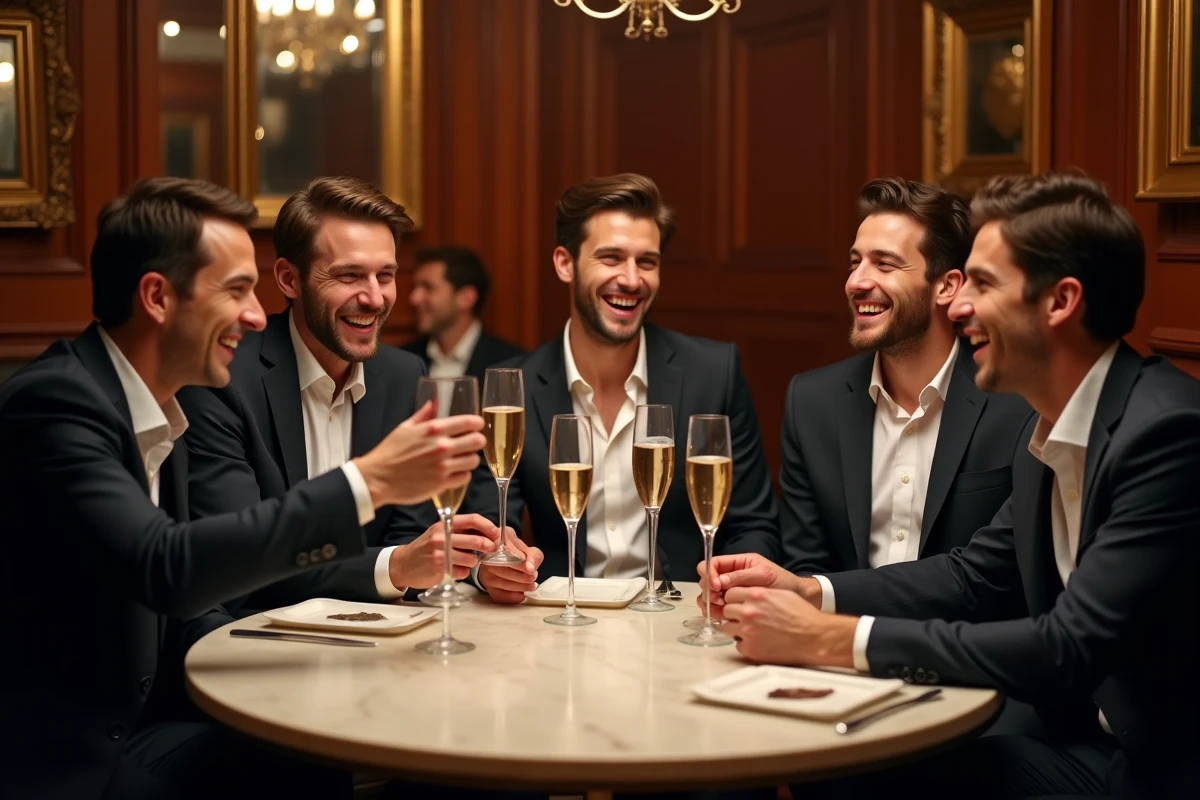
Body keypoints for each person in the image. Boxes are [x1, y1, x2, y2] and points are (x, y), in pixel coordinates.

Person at [701, 173, 1200, 798]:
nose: (960, 307)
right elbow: (975, 574)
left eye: (984, 285)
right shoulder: (1050, 426)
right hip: (1091, 747)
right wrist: (810, 590)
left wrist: (834, 637)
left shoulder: (1166, 432)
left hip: (1162, 771)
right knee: (860, 775)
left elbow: (1068, 645)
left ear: (1060, 302)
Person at [0, 177, 485, 800]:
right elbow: (169, 566)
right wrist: (368, 482)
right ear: (157, 298)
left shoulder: (156, 406)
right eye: (235, 291)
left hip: (149, 720)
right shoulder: (57, 402)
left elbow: (196, 594)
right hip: (71, 760)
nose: (256, 315)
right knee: (303, 767)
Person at [179, 177, 540, 612]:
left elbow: (410, 541)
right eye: (349, 275)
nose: (374, 298)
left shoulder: (404, 375)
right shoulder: (222, 379)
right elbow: (239, 559)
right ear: (289, 279)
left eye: (385, 275)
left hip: (382, 638)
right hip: (260, 639)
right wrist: (395, 566)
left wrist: (474, 564)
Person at [474, 173, 779, 596]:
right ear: (565, 263)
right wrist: (490, 564)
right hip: (561, 613)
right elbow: (487, 524)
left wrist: (732, 582)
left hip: (679, 612)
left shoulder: (713, 373)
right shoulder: (512, 391)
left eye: (647, 262)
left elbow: (754, 523)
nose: (632, 280)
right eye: (611, 258)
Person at [780, 177, 1032, 575]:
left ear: (947, 286)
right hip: (836, 617)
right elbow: (806, 566)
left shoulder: (1017, 402)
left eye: (884, 264)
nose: (856, 282)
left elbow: (1001, 574)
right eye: (855, 262)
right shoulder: (811, 402)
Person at [402, 246, 525, 380]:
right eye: (415, 287)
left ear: (466, 298)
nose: (414, 298)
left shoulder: (511, 364)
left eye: (428, 287)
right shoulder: (405, 359)